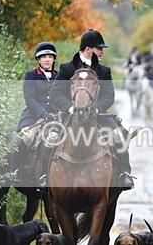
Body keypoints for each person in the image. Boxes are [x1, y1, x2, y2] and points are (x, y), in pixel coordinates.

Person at [46, 29, 134, 190]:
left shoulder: (104, 70)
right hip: (70, 115)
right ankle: (44, 176)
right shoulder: (67, 68)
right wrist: (70, 107)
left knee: (118, 136)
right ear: (88, 49)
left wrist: (97, 109)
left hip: (97, 116)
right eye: (99, 48)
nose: (102, 52)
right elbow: (56, 93)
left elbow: (109, 95)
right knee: (50, 137)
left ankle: (124, 173)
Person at [8, 42, 58, 181]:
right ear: (38, 59)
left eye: (50, 57)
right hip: (34, 115)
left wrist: (56, 113)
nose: (47, 59)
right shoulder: (31, 75)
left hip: (55, 116)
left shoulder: (59, 76)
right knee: (27, 137)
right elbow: (29, 99)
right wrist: (43, 114)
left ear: (54, 59)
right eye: (43, 57)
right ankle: (15, 170)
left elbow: (61, 97)